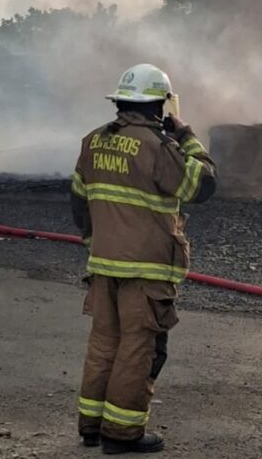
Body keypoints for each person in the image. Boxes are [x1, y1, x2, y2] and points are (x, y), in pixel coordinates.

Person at [71, 64, 216, 454]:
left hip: (103, 265)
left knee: (104, 344)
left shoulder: (93, 142)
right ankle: (122, 435)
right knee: (139, 350)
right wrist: (187, 137)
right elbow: (201, 184)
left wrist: (95, 244)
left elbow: (79, 201)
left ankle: (92, 427)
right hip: (146, 270)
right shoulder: (158, 147)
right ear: (158, 107)